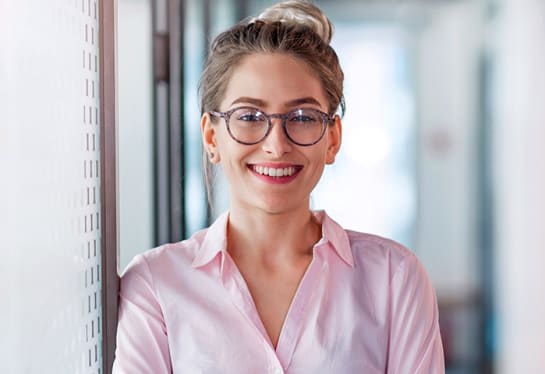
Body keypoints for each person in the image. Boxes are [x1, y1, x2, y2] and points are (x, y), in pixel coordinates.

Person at [112, 1, 445, 373]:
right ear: (211, 136)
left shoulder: (394, 279)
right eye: (249, 117)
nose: (276, 144)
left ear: (332, 138)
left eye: (302, 117)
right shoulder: (156, 285)